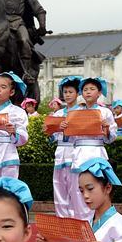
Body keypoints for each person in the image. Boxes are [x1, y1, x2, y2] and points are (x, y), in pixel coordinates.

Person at [66, 77, 117, 220]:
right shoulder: (75, 112)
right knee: (78, 192)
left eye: (92, 89)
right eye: (85, 89)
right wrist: (65, 129)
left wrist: (106, 128)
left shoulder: (105, 112)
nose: (88, 92)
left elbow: (111, 138)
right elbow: (69, 138)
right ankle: (82, 226)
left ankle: (95, 224)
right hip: (79, 153)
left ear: (99, 92)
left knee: (96, 189)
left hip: (97, 152)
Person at [49, 76, 80, 217]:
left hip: (75, 153)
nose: (67, 95)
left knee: (75, 190)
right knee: (59, 188)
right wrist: (51, 130)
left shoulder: (82, 113)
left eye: (70, 92)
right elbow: (52, 136)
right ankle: (62, 222)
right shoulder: (58, 113)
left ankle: (77, 222)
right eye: (65, 92)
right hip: (60, 154)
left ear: (77, 94)